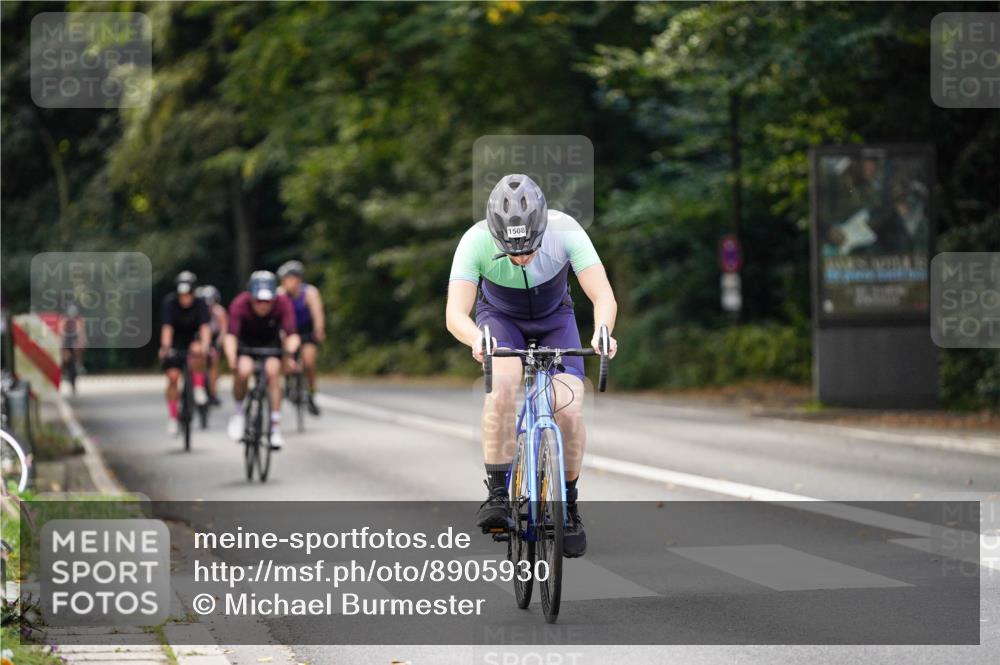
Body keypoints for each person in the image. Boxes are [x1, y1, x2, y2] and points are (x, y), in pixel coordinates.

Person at [445, 174, 618, 558]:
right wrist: (476, 338)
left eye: (529, 249)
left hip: (555, 319)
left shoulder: (566, 230)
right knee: (502, 387)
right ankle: (497, 494)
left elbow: (602, 294)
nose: (521, 258)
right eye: (511, 251)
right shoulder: (474, 240)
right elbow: (455, 313)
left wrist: (602, 331)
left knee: (569, 407)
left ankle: (568, 504)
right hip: (500, 320)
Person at [225, 271, 300, 449]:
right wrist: (232, 357)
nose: (263, 305)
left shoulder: (283, 303)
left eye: (267, 301)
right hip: (247, 345)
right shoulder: (240, 304)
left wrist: (290, 353)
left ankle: (274, 428)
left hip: (271, 345)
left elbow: (292, 335)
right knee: (243, 371)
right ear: (251, 297)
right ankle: (238, 414)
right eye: (259, 300)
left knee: (273, 374)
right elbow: (231, 336)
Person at [159, 271, 211, 435]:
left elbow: (204, 328)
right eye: (182, 295)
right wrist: (166, 348)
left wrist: (205, 345)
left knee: (198, 350)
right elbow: (167, 328)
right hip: (176, 341)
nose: (185, 298)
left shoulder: (200, 304)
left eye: (188, 294)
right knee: (173, 377)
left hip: (193, 339)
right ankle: (173, 417)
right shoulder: (169, 303)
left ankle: (198, 387)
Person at [277, 260, 326, 415]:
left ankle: (311, 393)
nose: (286, 282)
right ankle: (288, 382)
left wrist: (319, 329)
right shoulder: (280, 294)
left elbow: (317, 313)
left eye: (289, 278)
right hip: (288, 332)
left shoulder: (310, 292)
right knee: (285, 356)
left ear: (298, 279)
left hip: (306, 331)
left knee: (309, 363)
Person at [195, 285, 228, 406]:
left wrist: (218, 345)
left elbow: (223, 331)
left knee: (214, 360)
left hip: (214, 338)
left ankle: (213, 392)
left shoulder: (220, 312)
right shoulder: (197, 312)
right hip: (199, 337)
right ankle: (196, 384)